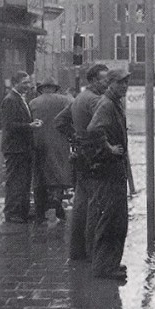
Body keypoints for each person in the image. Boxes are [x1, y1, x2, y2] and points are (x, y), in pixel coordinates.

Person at [54, 63, 110, 261]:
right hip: (95, 156)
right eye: (105, 79)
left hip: (80, 156)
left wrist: (76, 138)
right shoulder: (96, 100)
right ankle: (92, 251)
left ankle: (77, 251)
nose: (108, 82)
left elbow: (59, 122)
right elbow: (103, 128)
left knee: (81, 203)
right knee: (96, 205)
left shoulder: (79, 99)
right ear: (94, 80)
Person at [86, 69, 132, 280]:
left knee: (118, 219)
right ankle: (104, 267)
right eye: (120, 83)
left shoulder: (114, 103)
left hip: (114, 169)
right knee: (110, 219)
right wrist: (109, 148)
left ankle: (110, 263)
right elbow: (94, 129)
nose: (124, 86)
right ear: (111, 84)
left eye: (126, 83)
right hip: (109, 170)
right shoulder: (106, 104)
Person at [29, 78, 73, 222]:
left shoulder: (33, 103)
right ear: (55, 88)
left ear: (41, 89)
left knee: (40, 176)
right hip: (60, 142)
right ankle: (57, 201)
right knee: (60, 173)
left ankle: (40, 212)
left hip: (39, 143)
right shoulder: (66, 101)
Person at [0, 71, 42, 223]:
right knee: (15, 181)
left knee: (23, 180)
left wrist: (31, 123)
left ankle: (22, 211)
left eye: (29, 82)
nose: (28, 86)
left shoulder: (19, 99)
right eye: (24, 83)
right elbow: (9, 125)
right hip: (15, 148)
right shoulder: (11, 100)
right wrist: (29, 126)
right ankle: (12, 212)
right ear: (15, 83)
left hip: (22, 148)